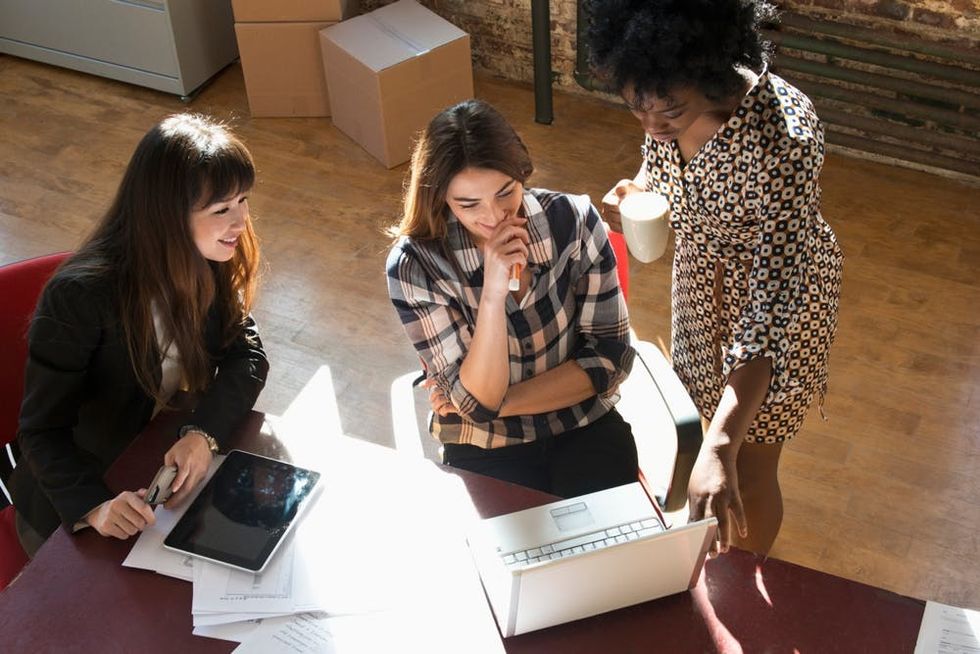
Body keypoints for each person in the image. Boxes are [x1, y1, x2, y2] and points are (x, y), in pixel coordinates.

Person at [589, 0, 844, 555]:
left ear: (708, 70)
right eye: (636, 109)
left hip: (781, 306)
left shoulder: (785, 141)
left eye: (669, 114)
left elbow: (771, 305)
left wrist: (723, 442)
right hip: (702, 290)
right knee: (710, 426)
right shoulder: (664, 90)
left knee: (749, 462)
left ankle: (746, 587)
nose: (652, 126)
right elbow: (660, 168)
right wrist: (637, 189)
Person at [11, 113, 269, 556]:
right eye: (221, 209)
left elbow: (245, 349)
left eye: (243, 200)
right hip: (74, 497)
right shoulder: (79, 297)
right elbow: (41, 432)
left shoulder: (204, 257)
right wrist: (93, 507)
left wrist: (202, 434)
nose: (241, 221)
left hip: (149, 468)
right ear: (167, 216)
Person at [386, 99, 637, 498]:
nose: (495, 216)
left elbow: (610, 358)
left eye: (506, 192)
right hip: (485, 446)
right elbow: (477, 403)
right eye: (469, 205)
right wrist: (492, 294)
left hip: (584, 425)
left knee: (608, 552)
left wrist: (489, 404)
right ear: (440, 197)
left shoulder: (573, 220)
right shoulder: (414, 265)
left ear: (522, 173)